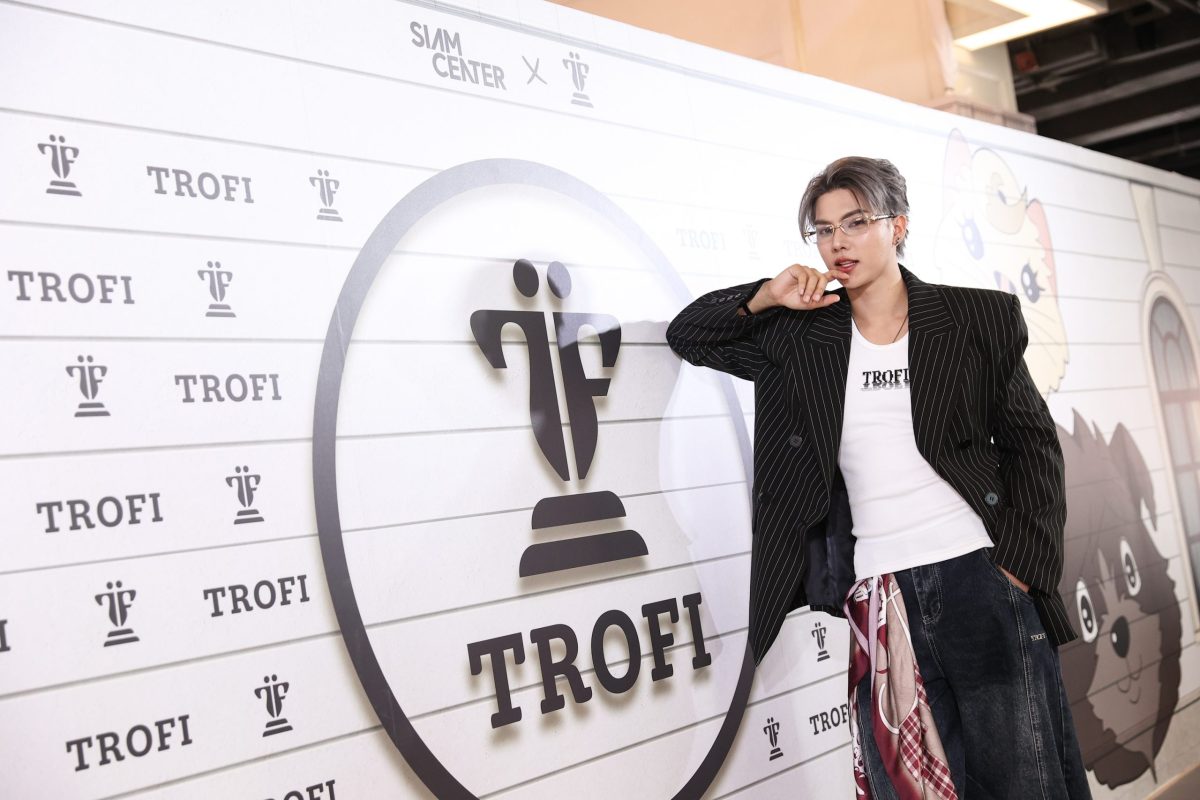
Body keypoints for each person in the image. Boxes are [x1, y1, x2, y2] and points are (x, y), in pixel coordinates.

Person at [666, 156, 1090, 799]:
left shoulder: (976, 318)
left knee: (1022, 783)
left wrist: (1020, 568)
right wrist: (766, 296)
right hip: (880, 592)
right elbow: (690, 334)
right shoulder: (803, 336)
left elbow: (1033, 445)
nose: (838, 241)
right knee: (904, 788)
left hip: (980, 575)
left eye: (857, 222)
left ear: (898, 226)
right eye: (824, 229)